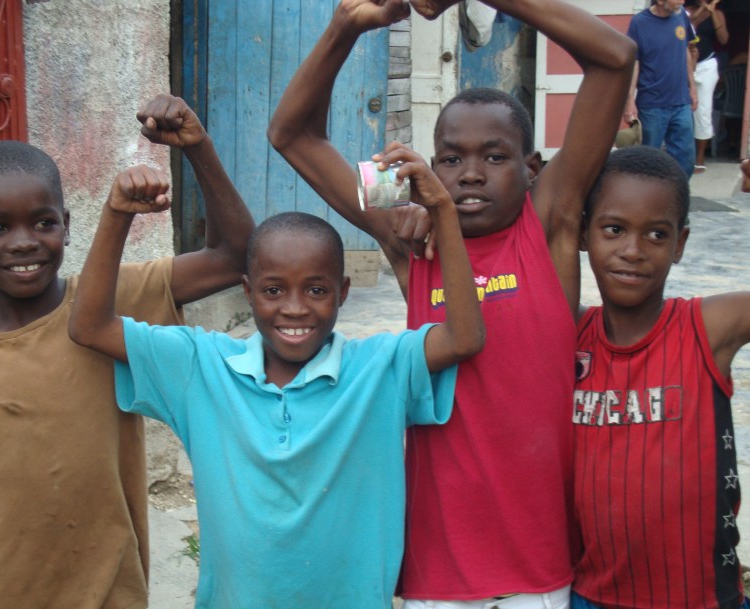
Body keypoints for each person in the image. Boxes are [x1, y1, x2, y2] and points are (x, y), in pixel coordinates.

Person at [267, 0, 635, 607]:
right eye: (450, 158)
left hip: (540, 566)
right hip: (438, 568)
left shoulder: (547, 226)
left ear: (531, 168)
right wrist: (346, 26)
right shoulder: (414, 242)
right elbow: (291, 134)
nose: (469, 174)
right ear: (428, 167)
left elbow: (615, 57)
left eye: (494, 157)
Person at [67, 139, 484, 609]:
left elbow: (464, 338)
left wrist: (443, 213)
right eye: (272, 290)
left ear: (343, 292)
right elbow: (90, 326)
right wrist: (117, 215)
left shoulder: (379, 369)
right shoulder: (201, 367)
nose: (294, 308)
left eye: (316, 289)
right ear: (247, 292)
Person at [0, 94, 254, 609]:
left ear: (66, 223)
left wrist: (198, 150)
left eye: (43, 223)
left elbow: (234, 256)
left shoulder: (109, 305)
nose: (23, 243)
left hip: (111, 593)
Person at [571, 145, 750, 609]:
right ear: (584, 234)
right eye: (614, 229)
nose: (632, 250)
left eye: (656, 234)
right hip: (590, 597)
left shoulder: (706, 328)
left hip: (701, 599)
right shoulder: (566, 335)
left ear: (680, 244)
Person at [624, 0, 698, 178]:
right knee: (648, 162)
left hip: (681, 102)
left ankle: (677, 200)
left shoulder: (681, 15)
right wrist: (629, 101)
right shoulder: (639, 23)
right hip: (652, 105)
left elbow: (686, 51)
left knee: (686, 160)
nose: (681, 2)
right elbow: (634, 63)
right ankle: (648, 202)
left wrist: (693, 88)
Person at [686, 0, 729, 173]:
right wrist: (702, 9)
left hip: (706, 66)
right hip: (686, 64)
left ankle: (700, 158)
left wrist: (712, 12)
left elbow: (724, 39)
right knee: (682, 109)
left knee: (703, 110)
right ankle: (683, 154)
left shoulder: (717, 14)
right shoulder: (685, 11)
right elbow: (689, 29)